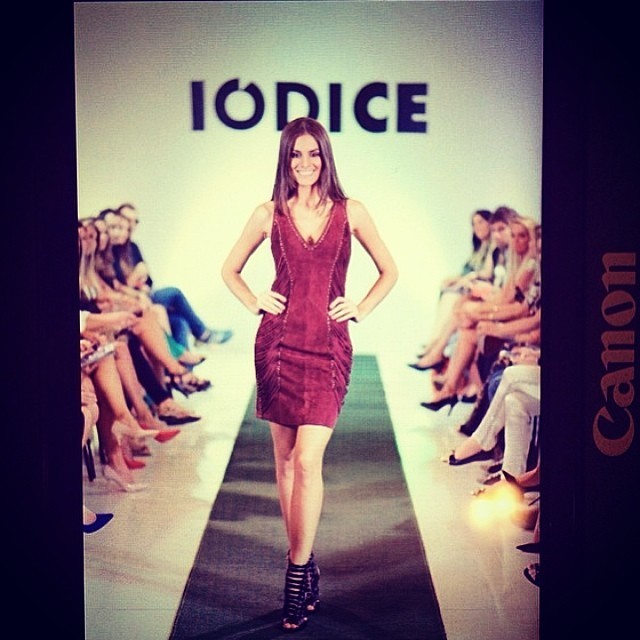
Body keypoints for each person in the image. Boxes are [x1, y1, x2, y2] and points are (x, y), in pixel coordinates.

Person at [221, 117, 398, 632]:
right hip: (277, 347)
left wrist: (360, 307)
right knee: (283, 461)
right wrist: (254, 299)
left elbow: (390, 270)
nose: (304, 163)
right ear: (285, 158)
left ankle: (296, 573)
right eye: (295, 154)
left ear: (325, 157)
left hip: (327, 349)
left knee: (306, 460)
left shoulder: (351, 210)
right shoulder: (268, 213)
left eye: (313, 154)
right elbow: (229, 269)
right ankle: (304, 555)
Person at [107, 204, 233, 348]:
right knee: (174, 293)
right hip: (133, 299)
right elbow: (116, 286)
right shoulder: (112, 252)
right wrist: (136, 281)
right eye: (126, 220)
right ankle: (203, 334)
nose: (130, 225)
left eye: (134, 221)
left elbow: (148, 280)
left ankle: (183, 360)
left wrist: (143, 287)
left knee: (180, 322)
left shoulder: (132, 248)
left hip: (144, 294)